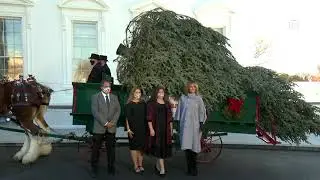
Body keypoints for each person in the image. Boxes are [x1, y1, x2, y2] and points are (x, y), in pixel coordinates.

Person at [174, 81, 206, 176]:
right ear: (187, 88)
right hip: (185, 126)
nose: (192, 88)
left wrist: (201, 123)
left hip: (195, 126)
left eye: (194, 87)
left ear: (196, 88)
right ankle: (189, 168)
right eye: (190, 87)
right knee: (187, 148)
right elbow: (179, 111)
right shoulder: (183, 99)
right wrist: (177, 122)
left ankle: (194, 168)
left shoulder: (199, 99)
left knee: (194, 147)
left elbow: (202, 111)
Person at [90, 80, 121, 177]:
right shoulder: (95, 97)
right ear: (101, 87)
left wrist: (112, 123)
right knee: (96, 149)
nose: (108, 88)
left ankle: (111, 167)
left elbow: (118, 110)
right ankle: (94, 168)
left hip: (111, 128)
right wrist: (106, 123)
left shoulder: (114, 97)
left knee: (111, 149)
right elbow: (95, 112)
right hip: (99, 127)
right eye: (106, 86)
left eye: (109, 86)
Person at [146, 86, 173, 176]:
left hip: (165, 130)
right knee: (159, 148)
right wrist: (151, 129)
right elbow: (149, 118)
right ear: (156, 93)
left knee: (162, 149)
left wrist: (171, 129)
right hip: (156, 129)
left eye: (162, 92)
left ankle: (158, 166)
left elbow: (170, 119)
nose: (161, 94)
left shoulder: (167, 103)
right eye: (159, 92)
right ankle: (162, 169)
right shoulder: (151, 104)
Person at [125, 87, 148, 174]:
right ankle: (135, 165)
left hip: (143, 129)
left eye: (139, 92)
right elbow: (127, 118)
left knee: (141, 148)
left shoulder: (144, 104)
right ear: (133, 93)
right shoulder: (129, 104)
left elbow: (147, 117)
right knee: (134, 148)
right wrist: (128, 129)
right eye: (136, 92)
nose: (138, 94)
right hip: (132, 130)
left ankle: (140, 165)